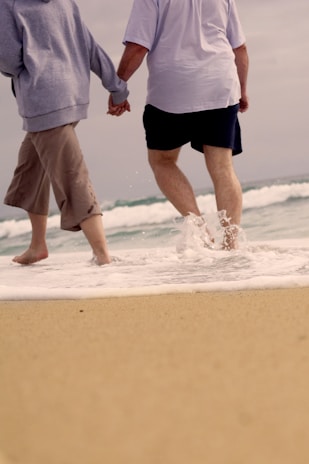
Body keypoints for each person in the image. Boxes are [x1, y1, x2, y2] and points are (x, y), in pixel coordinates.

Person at [109, 0, 249, 250]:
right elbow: (239, 48)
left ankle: (202, 233)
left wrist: (118, 86)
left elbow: (138, 47)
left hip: (173, 90)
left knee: (162, 161)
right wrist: (243, 90)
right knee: (222, 167)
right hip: (220, 83)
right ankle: (231, 246)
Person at [0, 0, 130, 265]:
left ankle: (103, 256)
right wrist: (116, 88)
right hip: (72, 93)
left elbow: (10, 61)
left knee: (72, 176)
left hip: (43, 100)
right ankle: (38, 246)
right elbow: (90, 46)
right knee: (32, 168)